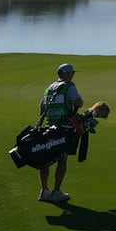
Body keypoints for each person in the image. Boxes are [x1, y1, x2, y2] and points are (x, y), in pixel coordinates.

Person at [37, 62, 83, 203]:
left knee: (45, 160)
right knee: (62, 159)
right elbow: (79, 103)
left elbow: (42, 109)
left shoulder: (49, 88)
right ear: (65, 74)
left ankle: (44, 191)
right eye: (71, 73)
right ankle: (56, 192)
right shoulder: (69, 87)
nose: (73, 75)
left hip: (49, 128)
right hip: (64, 129)